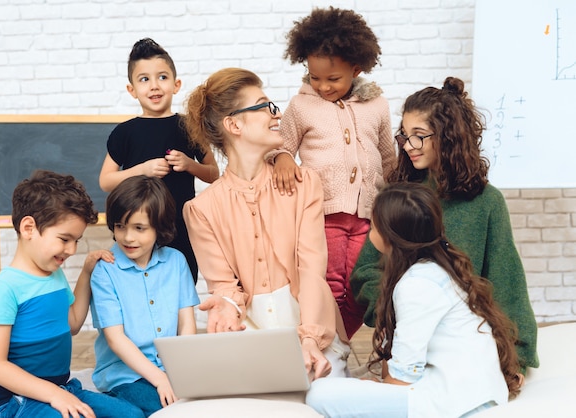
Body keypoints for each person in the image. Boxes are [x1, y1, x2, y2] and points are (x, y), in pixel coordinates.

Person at [350, 76, 539, 372]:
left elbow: (507, 285)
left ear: (448, 136)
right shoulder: (399, 196)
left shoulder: (487, 203)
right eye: (404, 135)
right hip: (405, 345)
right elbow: (365, 271)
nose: (408, 145)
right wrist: (395, 312)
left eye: (419, 135)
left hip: (464, 348)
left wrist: (517, 358)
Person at [182, 67, 351, 380]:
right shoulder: (201, 209)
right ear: (234, 124)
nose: (277, 114)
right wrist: (226, 308)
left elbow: (312, 268)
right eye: (264, 106)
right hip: (251, 332)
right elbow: (224, 286)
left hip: (312, 324)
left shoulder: (304, 184)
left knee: (323, 401)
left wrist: (310, 339)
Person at [307, 182, 522, 417]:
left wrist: (379, 387)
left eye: (374, 224)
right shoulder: (436, 269)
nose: (370, 229)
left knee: (319, 393)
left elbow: (403, 377)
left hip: (456, 403)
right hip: (475, 394)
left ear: (391, 236)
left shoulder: (417, 284)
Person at [266, 7, 396, 339]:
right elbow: (279, 145)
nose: (323, 86)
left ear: (357, 68)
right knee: (331, 285)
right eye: (315, 77)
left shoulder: (376, 106)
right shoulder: (301, 106)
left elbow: (387, 157)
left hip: (368, 217)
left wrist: (398, 192)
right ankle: (329, 349)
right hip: (325, 216)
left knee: (359, 285)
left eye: (333, 78)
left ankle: (334, 344)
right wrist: (281, 158)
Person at [0, 170, 143, 418]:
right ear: (28, 228)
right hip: (12, 400)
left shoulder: (55, 276)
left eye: (76, 240)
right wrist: (53, 394)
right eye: (65, 239)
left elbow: (73, 323)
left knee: (130, 414)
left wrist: (87, 272)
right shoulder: (4, 288)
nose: (71, 249)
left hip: (60, 388)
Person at [99, 37, 219, 283]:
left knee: (180, 288)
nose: (154, 86)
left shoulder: (189, 126)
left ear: (176, 85)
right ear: (132, 90)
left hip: (181, 228)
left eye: (162, 77)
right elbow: (106, 181)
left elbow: (213, 173)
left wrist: (189, 164)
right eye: (144, 79)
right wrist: (141, 170)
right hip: (138, 228)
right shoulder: (125, 132)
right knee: (138, 287)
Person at [90, 175, 200, 417]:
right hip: (125, 375)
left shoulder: (176, 261)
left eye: (139, 228)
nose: (128, 237)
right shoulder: (105, 271)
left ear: (158, 226)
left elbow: (186, 325)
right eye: (120, 226)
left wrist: (180, 374)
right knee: (168, 411)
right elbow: (116, 340)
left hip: (172, 369)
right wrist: (160, 379)